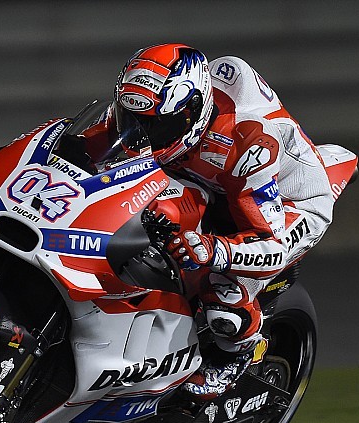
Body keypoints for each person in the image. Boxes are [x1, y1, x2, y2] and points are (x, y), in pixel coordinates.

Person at [110, 43, 335, 400]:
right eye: (135, 120)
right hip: (210, 184)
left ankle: (234, 360)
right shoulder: (156, 103)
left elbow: (271, 245)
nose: (143, 133)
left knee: (223, 292)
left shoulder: (248, 145)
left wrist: (212, 248)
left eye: (157, 124)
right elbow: (93, 145)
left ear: (192, 112)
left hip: (287, 205)